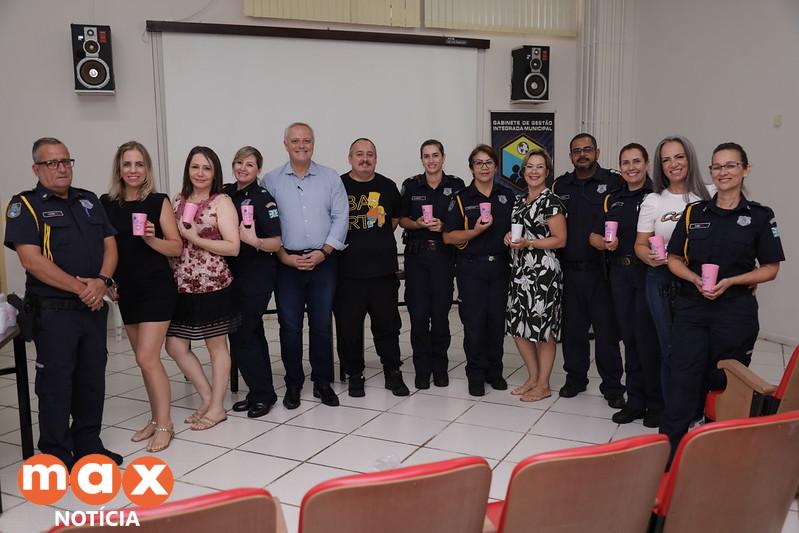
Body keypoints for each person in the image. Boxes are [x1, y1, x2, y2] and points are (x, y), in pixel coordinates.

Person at [4, 137, 122, 467]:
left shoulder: (88, 201)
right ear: (36, 168)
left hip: (94, 307)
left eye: (66, 161)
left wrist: (100, 282)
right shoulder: (25, 205)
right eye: (52, 163)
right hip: (54, 312)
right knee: (56, 383)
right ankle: (56, 453)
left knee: (91, 378)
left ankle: (88, 445)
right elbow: (31, 260)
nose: (61, 168)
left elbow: (110, 245)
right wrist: (81, 288)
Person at [662, 142, 783, 455]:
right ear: (711, 172)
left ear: (745, 169)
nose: (723, 172)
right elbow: (674, 259)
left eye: (731, 165)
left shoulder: (760, 216)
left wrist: (732, 282)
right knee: (682, 380)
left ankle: (717, 453)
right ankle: (668, 455)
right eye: (717, 166)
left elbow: (770, 269)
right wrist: (694, 278)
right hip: (692, 309)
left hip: (735, 312)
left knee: (725, 384)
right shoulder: (694, 212)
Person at [100, 141, 182, 451]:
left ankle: (165, 424)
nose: (133, 170)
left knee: (148, 357)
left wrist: (151, 238)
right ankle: (154, 417)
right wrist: (105, 281)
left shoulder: (157, 201)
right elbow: (103, 247)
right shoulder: (106, 203)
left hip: (156, 288)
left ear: (146, 169)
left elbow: (176, 247)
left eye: (139, 164)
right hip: (126, 290)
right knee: (142, 360)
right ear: (119, 169)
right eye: (127, 164)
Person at [262, 122, 348, 409]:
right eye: (295, 141)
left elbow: (340, 217)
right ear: (285, 143)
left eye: (307, 141)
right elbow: (266, 224)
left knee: (322, 325)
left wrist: (324, 252)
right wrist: (283, 255)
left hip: (323, 262)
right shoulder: (271, 181)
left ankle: (322, 382)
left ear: (314, 143)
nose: (301, 145)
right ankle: (294, 384)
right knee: (290, 326)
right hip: (286, 263)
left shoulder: (330, 178)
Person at [166, 146, 241, 430]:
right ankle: (208, 397)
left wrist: (196, 238)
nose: (200, 173)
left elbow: (233, 247)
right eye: (195, 167)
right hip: (180, 285)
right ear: (188, 169)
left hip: (213, 284)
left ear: (215, 173)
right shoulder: (177, 199)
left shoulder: (221, 202)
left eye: (206, 168)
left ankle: (217, 407)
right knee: (174, 345)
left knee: (216, 347)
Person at [634, 136, 712, 403]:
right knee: (670, 347)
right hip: (662, 280)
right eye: (666, 160)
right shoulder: (654, 200)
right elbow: (640, 245)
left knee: (701, 347)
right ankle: (675, 413)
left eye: (679, 157)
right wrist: (650, 258)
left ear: (689, 158)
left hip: (701, 281)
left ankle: (701, 410)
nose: (673, 164)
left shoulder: (710, 195)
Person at [589, 143, 662, 426]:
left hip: (650, 274)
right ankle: (636, 401)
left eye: (636, 161)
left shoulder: (658, 197)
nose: (631, 167)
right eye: (625, 162)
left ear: (646, 164)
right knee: (630, 341)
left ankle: (656, 403)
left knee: (650, 341)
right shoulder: (612, 198)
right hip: (620, 276)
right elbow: (593, 237)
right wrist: (605, 244)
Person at [551, 133, 625, 407]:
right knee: (573, 331)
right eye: (576, 151)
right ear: (570, 156)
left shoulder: (614, 182)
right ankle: (575, 379)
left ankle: (613, 386)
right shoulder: (560, 185)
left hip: (603, 271)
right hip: (569, 271)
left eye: (587, 149)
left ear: (597, 151)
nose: (582, 154)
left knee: (606, 332)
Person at [334, 138, 409, 398]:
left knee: (388, 327)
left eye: (370, 154)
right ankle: (355, 374)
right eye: (359, 154)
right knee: (349, 329)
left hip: (382, 273)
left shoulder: (388, 186)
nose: (364, 159)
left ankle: (393, 372)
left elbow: (395, 220)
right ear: (350, 157)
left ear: (376, 158)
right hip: (347, 274)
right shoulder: (338, 185)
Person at [443, 145, 513, 396]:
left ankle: (494, 371)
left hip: (500, 268)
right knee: (473, 324)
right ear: (471, 167)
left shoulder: (507, 196)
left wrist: (512, 236)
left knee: (496, 323)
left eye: (488, 163)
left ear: (496, 166)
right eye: (478, 163)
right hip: (471, 267)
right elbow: (449, 237)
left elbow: (518, 227)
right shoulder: (461, 198)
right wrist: (475, 231)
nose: (484, 167)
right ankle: (475, 373)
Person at [399, 140, 465, 389]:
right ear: (422, 159)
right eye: (426, 156)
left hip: (443, 258)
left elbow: (464, 219)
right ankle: (421, 370)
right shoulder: (411, 185)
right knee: (418, 315)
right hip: (417, 258)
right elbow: (402, 220)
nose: (431, 160)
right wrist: (418, 224)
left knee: (440, 316)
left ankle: (440, 367)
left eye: (435, 155)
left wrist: (444, 227)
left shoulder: (456, 186)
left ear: (443, 158)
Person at [223, 146, 282, 418]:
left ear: (258, 169)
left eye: (250, 164)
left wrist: (254, 241)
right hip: (230, 273)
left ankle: (261, 394)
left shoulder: (263, 198)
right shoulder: (225, 193)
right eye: (239, 162)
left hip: (257, 273)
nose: (243, 168)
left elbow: (276, 242)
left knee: (242, 332)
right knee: (251, 332)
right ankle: (262, 391)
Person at [504, 148, 566, 402]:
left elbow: (560, 240)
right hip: (520, 272)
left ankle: (544, 384)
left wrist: (529, 243)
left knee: (542, 330)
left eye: (539, 167)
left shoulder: (552, 202)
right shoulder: (519, 201)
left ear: (547, 172)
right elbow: (517, 233)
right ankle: (532, 377)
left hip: (544, 273)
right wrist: (508, 237)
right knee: (518, 327)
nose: (533, 171)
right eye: (529, 166)